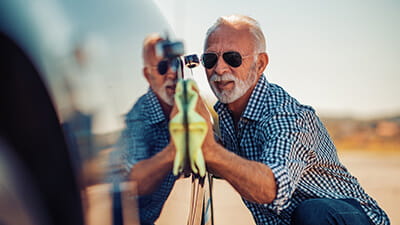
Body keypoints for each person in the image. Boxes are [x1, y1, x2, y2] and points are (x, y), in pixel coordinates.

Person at [194, 15, 390, 225]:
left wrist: (210, 151)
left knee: (314, 211)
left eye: (232, 58)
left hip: (350, 218)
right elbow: (233, 164)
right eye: (210, 59)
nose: (219, 68)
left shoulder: (286, 115)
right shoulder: (229, 113)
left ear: (260, 64)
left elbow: (272, 187)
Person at [116, 33, 178, 225]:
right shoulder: (139, 117)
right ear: (147, 75)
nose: (172, 73)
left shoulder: (184, 106)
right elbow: (133, 185)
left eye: (176, 63)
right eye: (161, 67)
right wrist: (178, 147)